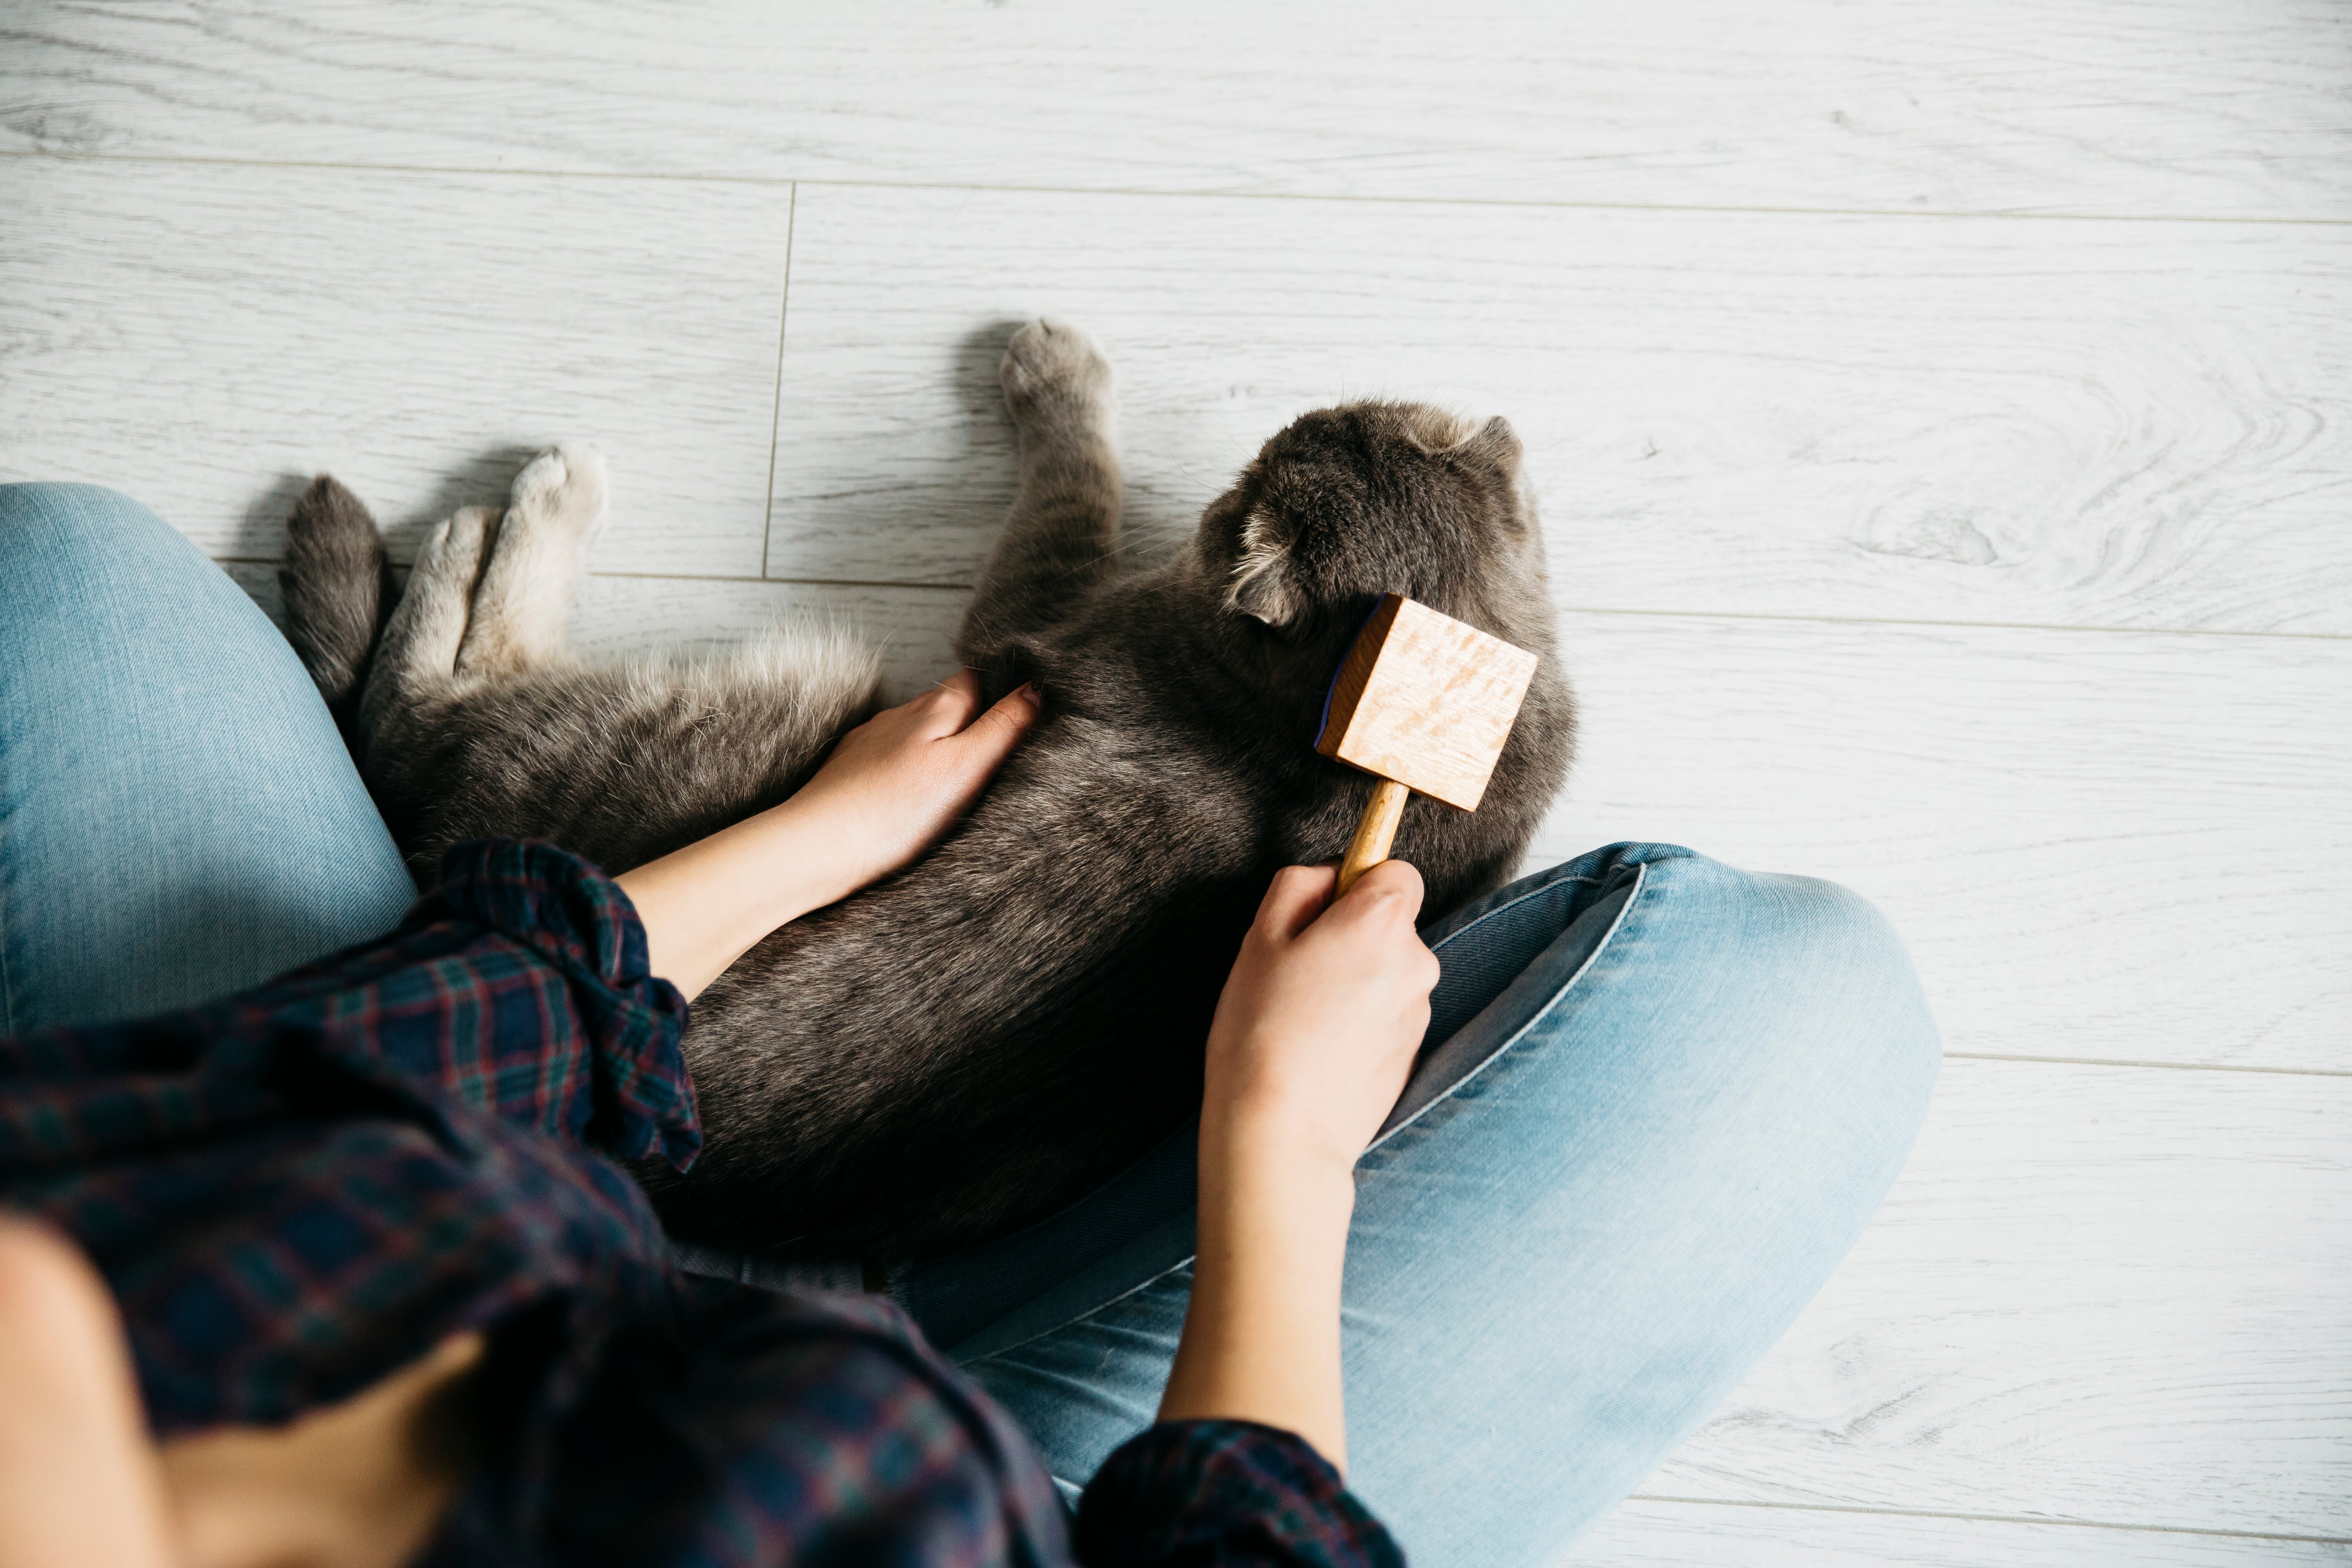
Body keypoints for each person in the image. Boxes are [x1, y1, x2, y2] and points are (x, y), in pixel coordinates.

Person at [0, 482, 1940, 1567]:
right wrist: (1281, 1152)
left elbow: (356, 1081)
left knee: (66, 576)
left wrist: (806, 846)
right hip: (1042, 1504)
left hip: (530, 1209)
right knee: (1808, 1003)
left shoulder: (76, 1245)